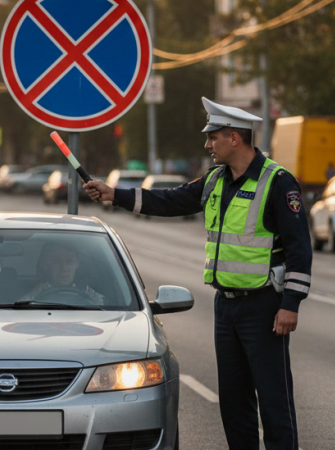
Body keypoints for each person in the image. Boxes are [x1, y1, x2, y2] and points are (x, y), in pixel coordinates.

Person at [84, 97, 312, 450]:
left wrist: (291, 304)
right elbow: (170, 201)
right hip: (227, 307)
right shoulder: (215, 180)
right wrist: (115, 194)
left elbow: (300, 248)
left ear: (234, 138)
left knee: (273, 402)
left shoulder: (278, 183)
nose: (207, 145)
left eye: (213, 137)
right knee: (234, 405)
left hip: (265, 308)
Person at [18, 242, 104, 304]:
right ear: (45, 264)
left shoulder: (85, 290)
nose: (64, 268)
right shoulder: (38, 292)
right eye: (57, 261)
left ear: (77, 264)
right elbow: (20, 309)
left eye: (70, 262)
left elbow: (104, 307)